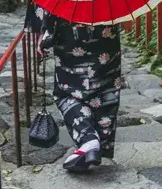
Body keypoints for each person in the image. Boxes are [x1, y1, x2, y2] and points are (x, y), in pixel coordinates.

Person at [38, 11, 122, 172]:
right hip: (106, 34)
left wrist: (46, 32)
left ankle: (88, 139)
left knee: (66, 92)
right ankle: (97, 143)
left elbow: (47, 4)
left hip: (70, 36)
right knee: (106, 88)